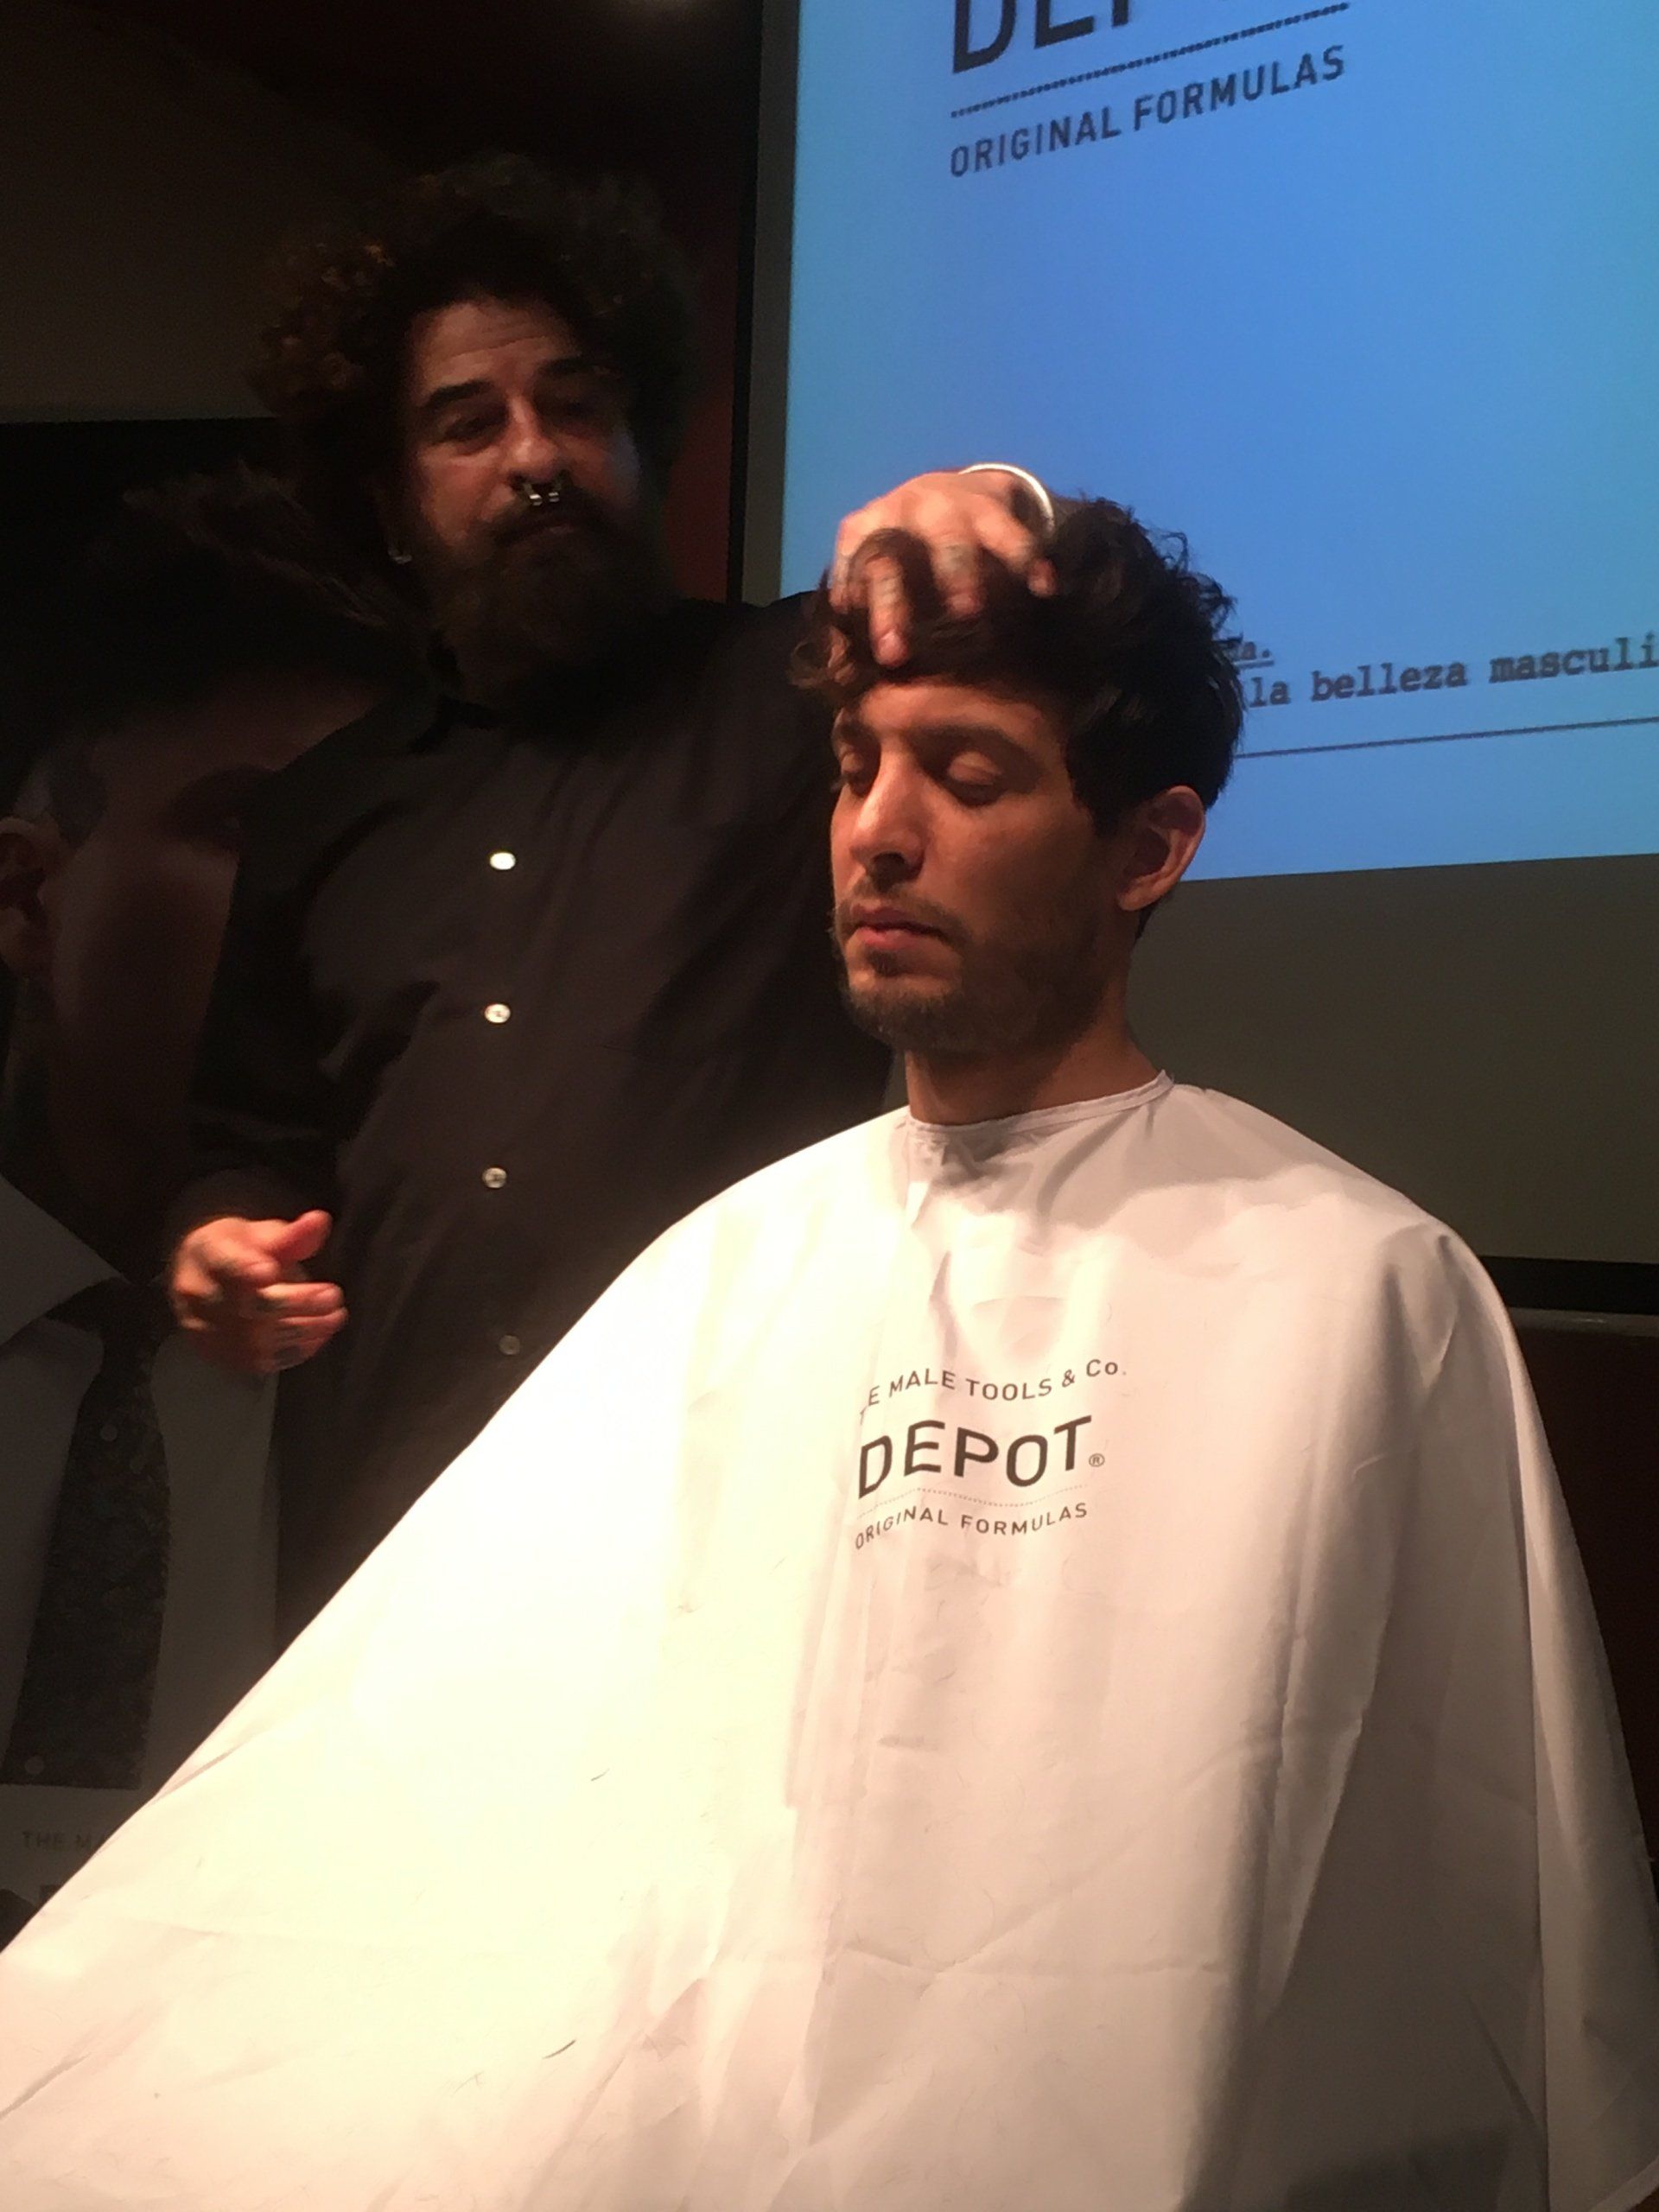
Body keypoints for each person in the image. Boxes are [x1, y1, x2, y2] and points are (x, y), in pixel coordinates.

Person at [3, 501, 1655, 2210]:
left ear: (1150, 847)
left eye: (971, 774)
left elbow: (1461, 1927)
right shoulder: (725, 1272)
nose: (878, 831)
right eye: (859, 763)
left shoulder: (1357, 1284)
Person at [165, 155, 1057, 1631]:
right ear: (390, 503)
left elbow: (1020, 595)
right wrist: (223, 1243)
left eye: (577, 406)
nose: (538, 455)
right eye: (470, 424)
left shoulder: (805, 702)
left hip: (743, 1549)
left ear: (639, 437)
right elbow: (249, 1141)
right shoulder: (322, 810)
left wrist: (979, 496)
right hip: (394, 1558)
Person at [0, 469, 418, 1935]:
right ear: (28, 898)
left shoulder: (415, 1367)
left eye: (373, 850)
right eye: (257, 829)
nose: (335, 913)